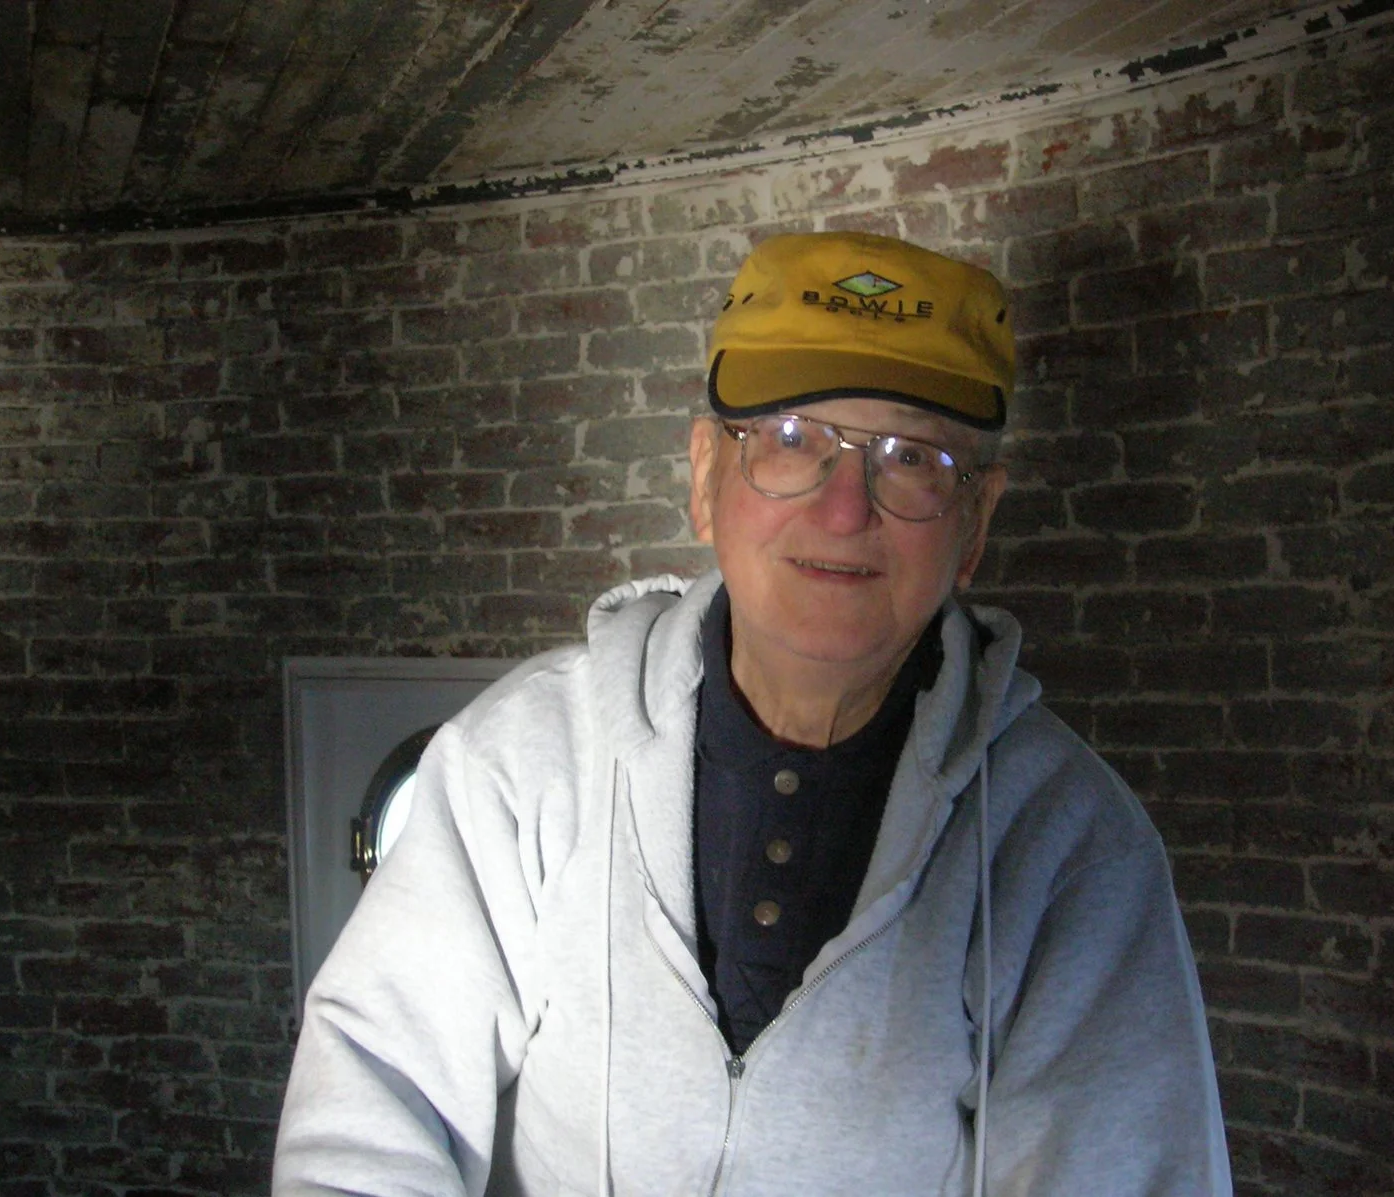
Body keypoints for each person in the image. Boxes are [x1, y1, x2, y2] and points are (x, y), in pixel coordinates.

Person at [273, 231, 1232, 1195]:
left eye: (911, 458)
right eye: (789, 439)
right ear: (704, 478)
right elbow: (369, 1107)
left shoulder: (1069, 849)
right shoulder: (521, 764)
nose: (844, 508)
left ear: (973, 525)